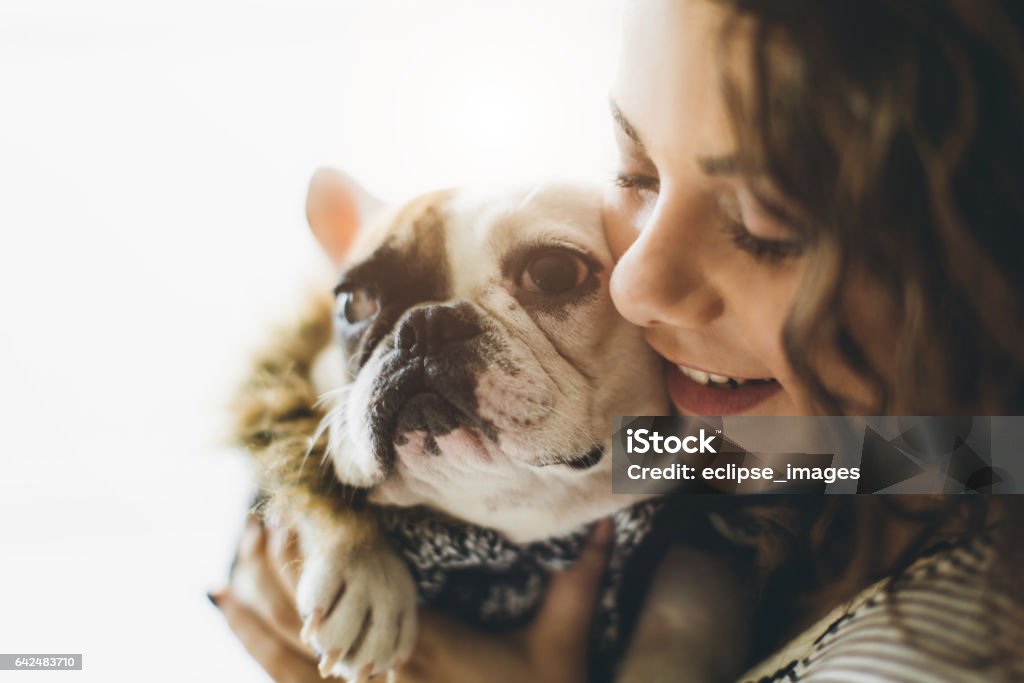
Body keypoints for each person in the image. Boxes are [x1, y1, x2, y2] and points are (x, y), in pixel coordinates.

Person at [210, 0, 1024, 680]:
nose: (634, 281)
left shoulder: (940, 641)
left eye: (768, 222)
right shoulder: (725, 448)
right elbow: (958, 455)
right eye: (635, 173)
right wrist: (327, 518)